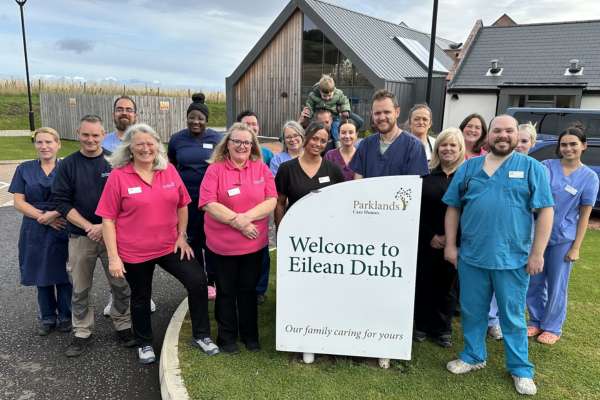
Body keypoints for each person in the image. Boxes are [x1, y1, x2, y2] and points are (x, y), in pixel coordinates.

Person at [442, 114, 554, 396]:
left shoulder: (531, 168)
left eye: (508, 131)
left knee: (513, 316)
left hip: (512, 258)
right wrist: (451, 245)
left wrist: (537, 253)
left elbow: (546, 211)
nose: (502, 135)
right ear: (488, 136)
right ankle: (473, 356)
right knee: (472, 310)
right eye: (496, 131)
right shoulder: (468, 168)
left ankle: (520, 368)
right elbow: (453, 207)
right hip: (472, 256)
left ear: (517, 135)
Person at [97, 124, 218, 364]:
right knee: (141, 295)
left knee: (197, 280)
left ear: (157, 146)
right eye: (139, 144)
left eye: (150, 143)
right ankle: (144, 343)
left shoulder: (169, 171)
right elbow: (108, 219)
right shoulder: (119, 176)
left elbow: (183, 203)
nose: (145, 148)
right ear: (130, 147)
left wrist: (182, 235)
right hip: (134, 251)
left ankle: (201, 336)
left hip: (169, 246)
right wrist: (114, 257)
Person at [53, 115, 135, 357]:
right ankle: (82, 331)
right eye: (86, 134)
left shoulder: (115, 161)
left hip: (113, 237)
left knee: (120, 284)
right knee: (80, 287)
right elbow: (62, 202)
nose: (90, 139)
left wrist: (105, 226)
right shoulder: (67, 164)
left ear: (103, 134)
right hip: (81, 236)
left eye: (95, 135)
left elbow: (126, 199)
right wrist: (91, 226)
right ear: (78, 132)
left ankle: (123, 325)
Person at [199, 123, 277, 355]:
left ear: (252, 145)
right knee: (225, 291)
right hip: (222, 246)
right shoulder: (215, 170)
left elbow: (271, 200)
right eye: (237, 141)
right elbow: (208, 203)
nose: (242, 146)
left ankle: (250, 335)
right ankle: (226, 337)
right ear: (228, 144)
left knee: (248, 290)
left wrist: (246, 218)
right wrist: (239, 222)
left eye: (247, 142)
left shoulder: (262, 169)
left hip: (254, 244)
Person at [526, 124, 599, 345]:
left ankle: (552, 327)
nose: (568, 148)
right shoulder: (547, 166)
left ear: (584, 146)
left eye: (573, 144)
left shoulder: (589, 178)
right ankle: (536, 320)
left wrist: (575, 247)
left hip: (563, 238)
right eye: (564, 144)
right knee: (535, 280)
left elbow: (585, 216)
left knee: (557, 283)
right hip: (538, 235)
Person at [9, 127, 72, 336]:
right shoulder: (24, 168)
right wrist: (43, 218)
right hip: (34, 228)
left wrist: (54, 215)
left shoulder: (67, 168)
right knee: (40, 273)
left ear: (58, 144)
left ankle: (66, 315)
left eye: (48, 142)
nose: (44, 146)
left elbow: (74, 197)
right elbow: (18, 202)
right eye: (39, 142)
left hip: (61, 224)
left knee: (63, 274)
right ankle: (47, 316)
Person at [100, 96, 156, 315]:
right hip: (111, 207)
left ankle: (144, 295)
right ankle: (114, 297)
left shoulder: (144, 141)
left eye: (128, 110)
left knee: (142, 261)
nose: (124, 113)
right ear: (114, 114)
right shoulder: (104, 142)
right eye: (120, 109)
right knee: (113, 260)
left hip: (135, 209)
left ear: (135, 115)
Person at [413, 127, 465, 348]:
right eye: (444, 144)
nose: (448, 149)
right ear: (437, 148)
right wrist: (430, 236)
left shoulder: (467, 176)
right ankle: (422, 324)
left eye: (453, 145)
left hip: (457, 243)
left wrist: (452, 240)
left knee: (448, 287)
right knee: (424, 284)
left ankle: (443, 328)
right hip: (426, 240)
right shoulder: (424, 175)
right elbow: (415, 209)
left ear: (460, 149)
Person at [168, 93, 222, 293]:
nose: (196, 121)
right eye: (192, 117)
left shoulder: (217, 139)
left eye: (200, 118)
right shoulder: (177, 139)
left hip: (211, 200)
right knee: (192, 239)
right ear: (187, 118)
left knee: (211, 239)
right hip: (186, 201)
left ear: (207, 120)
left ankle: (214, 279)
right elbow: (172, 165)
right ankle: (199, 280)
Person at [236, 110, 276, 305]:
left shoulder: (266, 155)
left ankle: (259, 288)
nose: (252, 127)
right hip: (234, 213)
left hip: (259, 213)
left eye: (254, 123)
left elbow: (271, 187)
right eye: (247, 124)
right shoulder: (231, 152)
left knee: (261, 252)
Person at [274, 122, 345, 229]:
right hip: (295, 228)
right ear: (305, 137)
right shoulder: (286, 169)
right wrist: (281, 232)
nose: (318, 144)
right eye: (314, 138)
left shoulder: (334, 169)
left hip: (325, 229)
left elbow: (341, 202)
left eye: (323, 141)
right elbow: (279, 204)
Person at [349, 89, 429, 179]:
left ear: (397, 112)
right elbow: (358, 182)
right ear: (372, 115)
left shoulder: (414, 146)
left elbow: (413, 186)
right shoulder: (365, 145)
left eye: (387, 112)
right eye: (377, 113)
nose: (382, 117)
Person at [304, 75, 363, 147]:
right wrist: (309, 113)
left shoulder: (338, 94)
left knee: (336, 132)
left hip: (334, 117)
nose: (327, 98)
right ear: (320, 91)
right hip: (318, 117)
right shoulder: (313, 96)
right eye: (324, 96)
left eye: (329, 95)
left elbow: (344, 101)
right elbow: (310, 104)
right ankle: (306, 144)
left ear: (333, 91)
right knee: (310, 131)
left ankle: (338, 146)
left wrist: (344, 109)